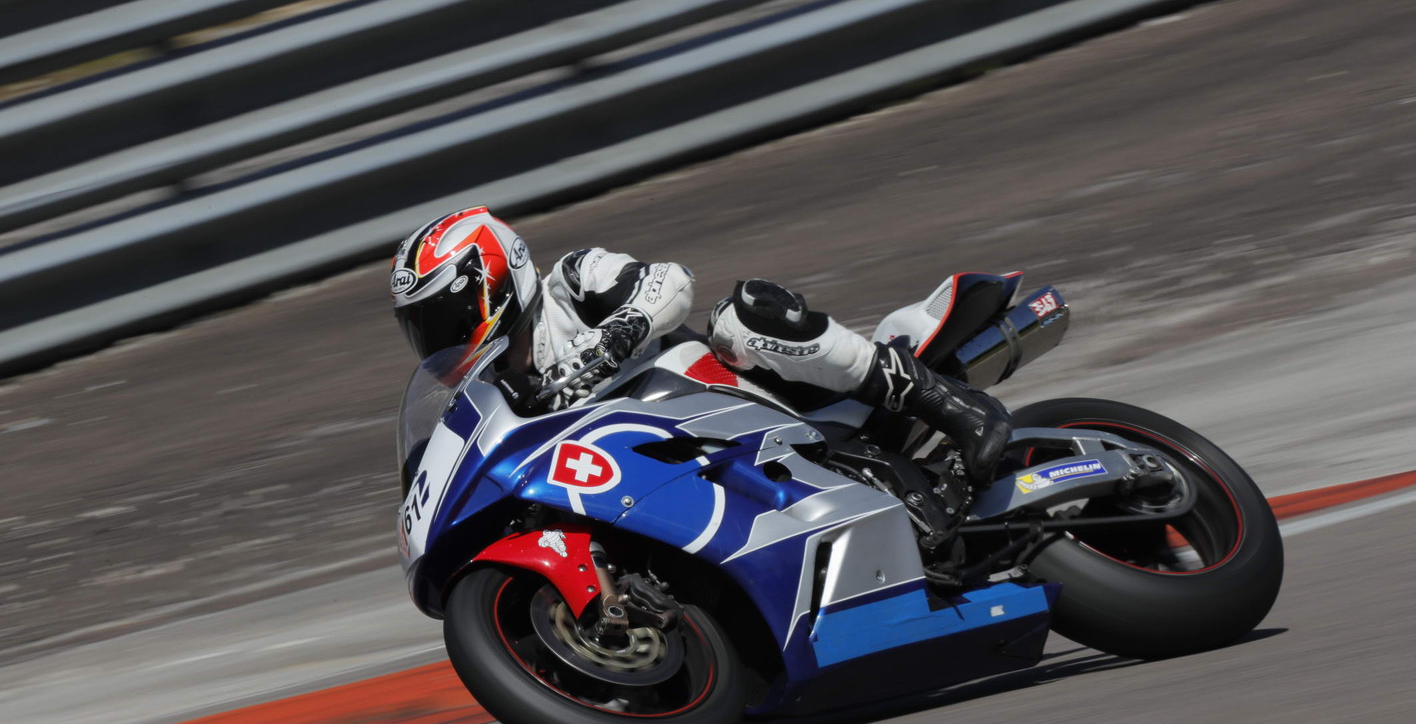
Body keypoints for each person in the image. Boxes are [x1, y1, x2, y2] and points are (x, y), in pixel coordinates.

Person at [390, 207, 1012, 481]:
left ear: (495, 278)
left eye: (444, 316)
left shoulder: (573, 282)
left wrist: (619, 332)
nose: (438, 339)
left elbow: (671, 281)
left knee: (740, 318)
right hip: (674, 474)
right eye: (423, 328)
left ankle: (949, 403)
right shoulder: (496, 397)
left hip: (752, 406)